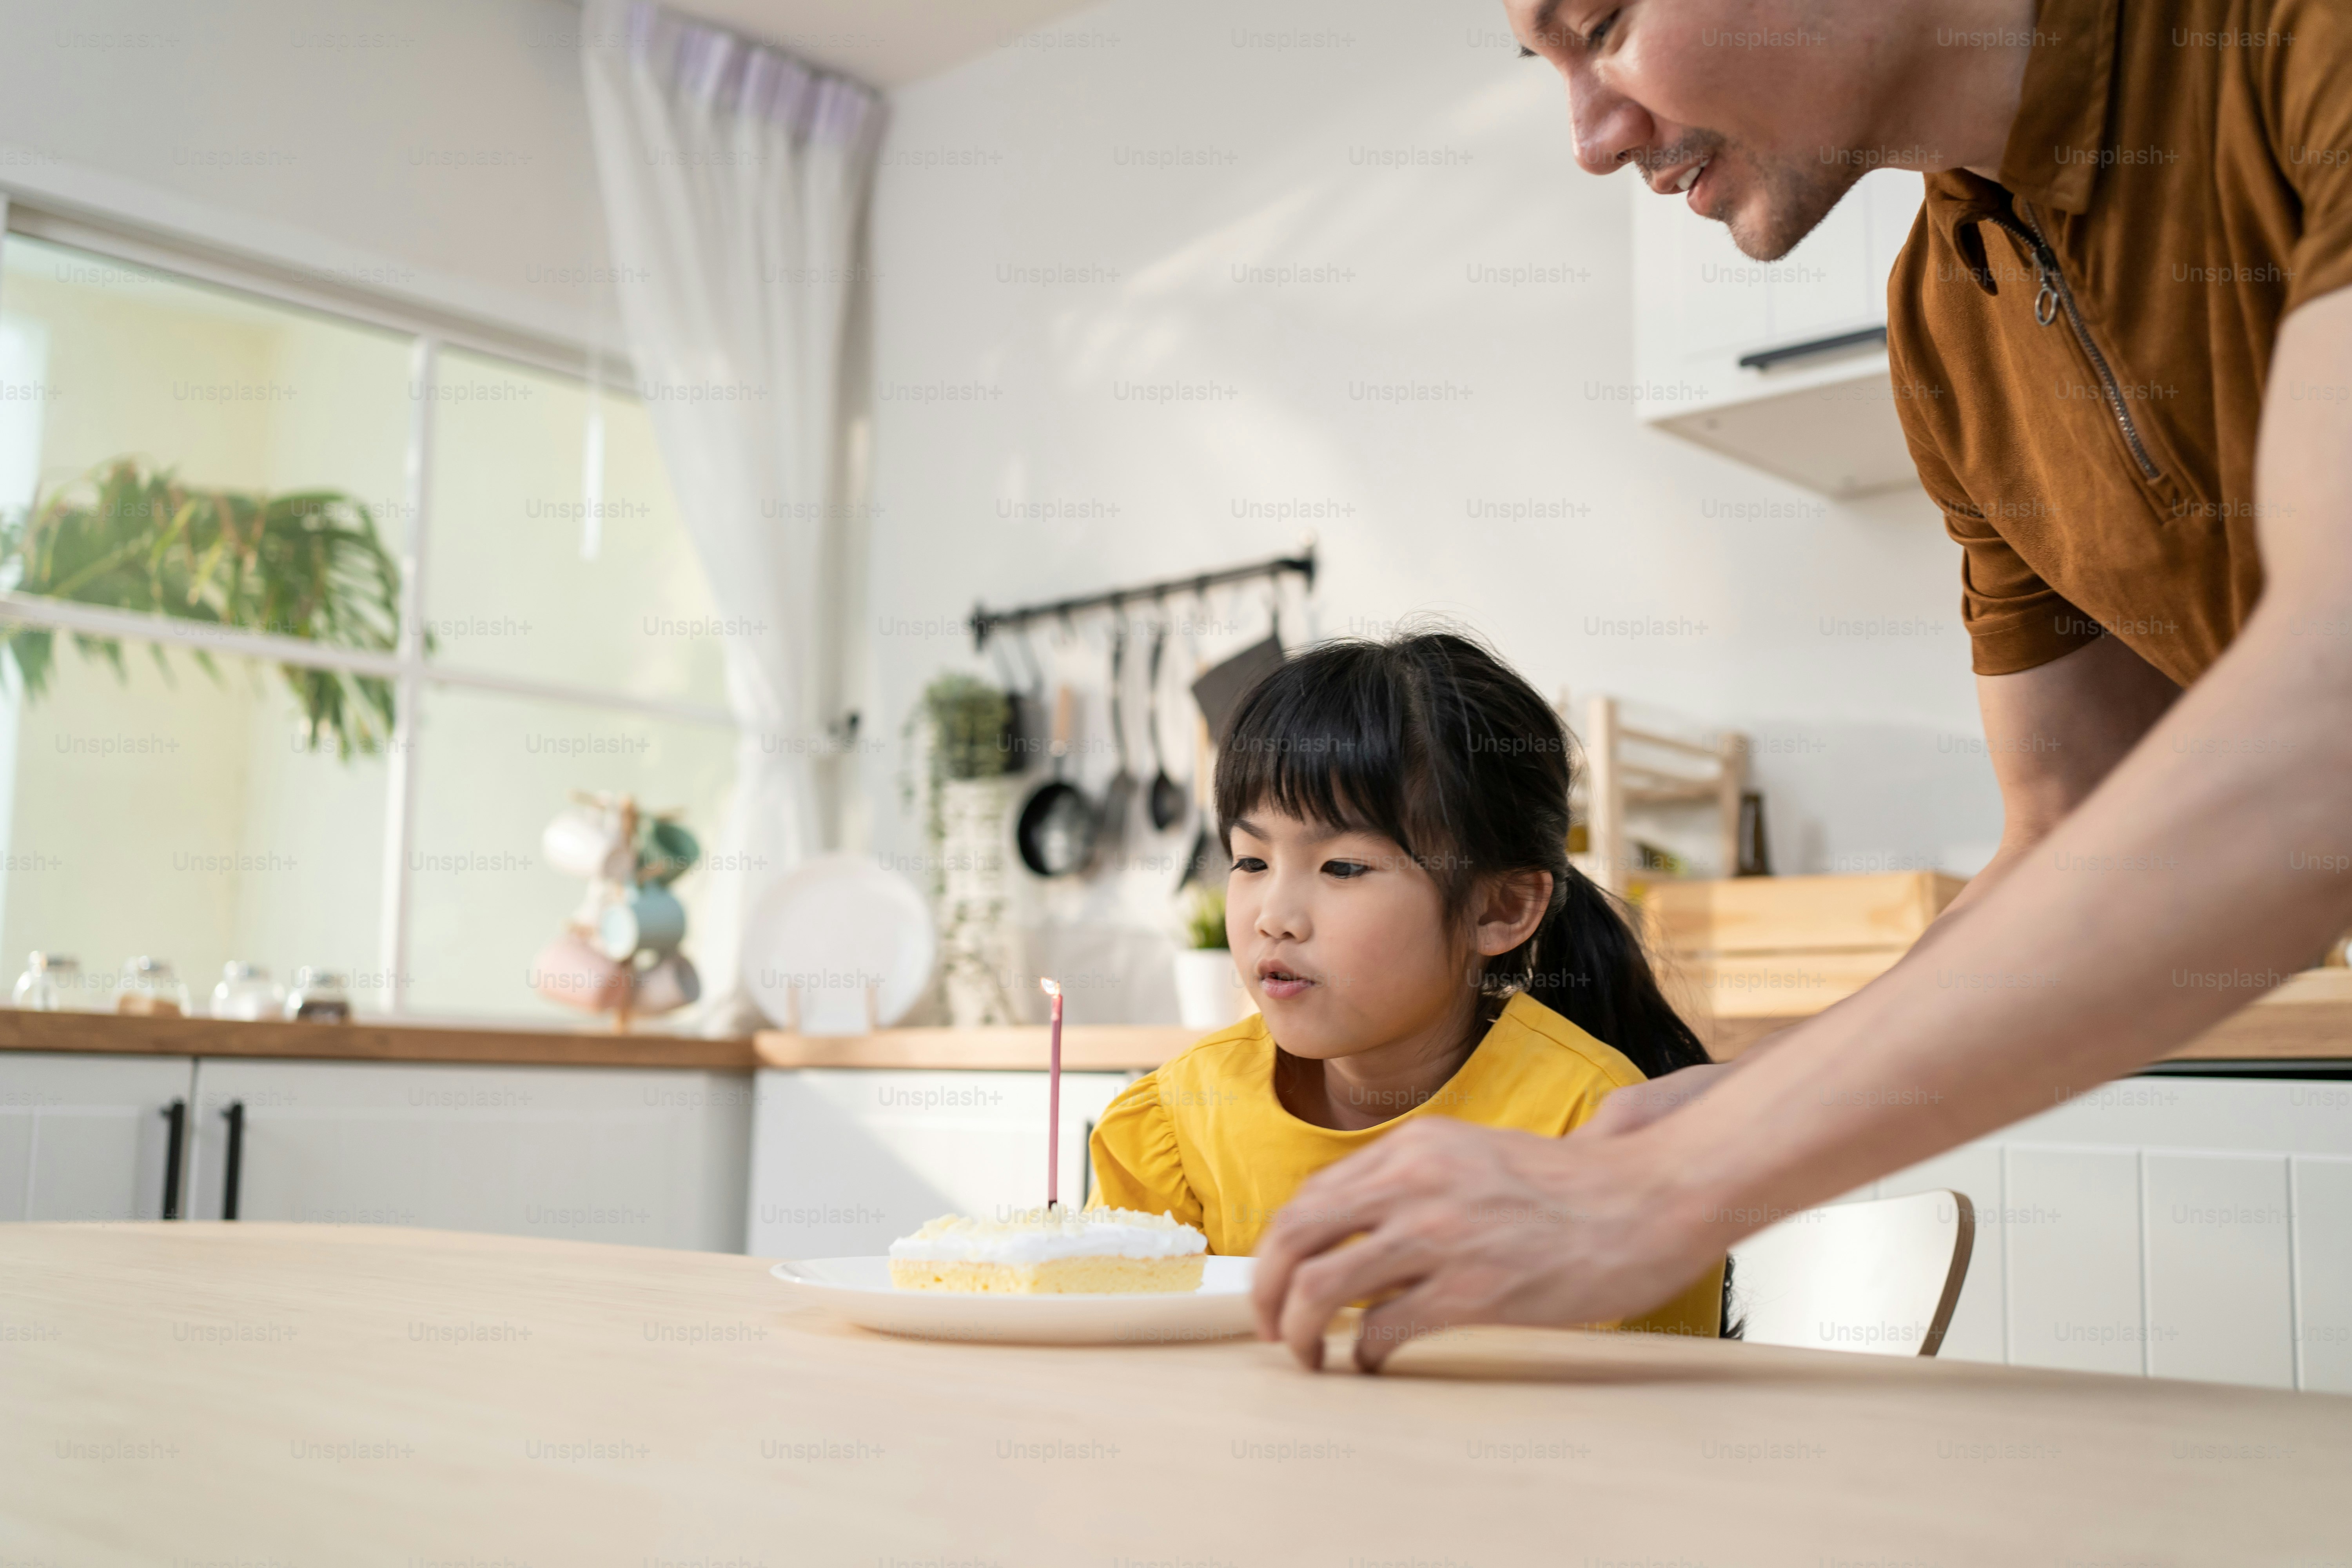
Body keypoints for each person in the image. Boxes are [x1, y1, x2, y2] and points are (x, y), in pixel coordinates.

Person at [1252, 0, 2352, 1370]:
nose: (1590, 138)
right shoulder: (1953, 331)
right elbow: (2068, 826)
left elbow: (2330, 714)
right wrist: (1736, 1103)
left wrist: (1667, 1189)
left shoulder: (2297, 42)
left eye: (1601, 24)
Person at [1090, 632, 1731, 1339]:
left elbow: (1647, 1423)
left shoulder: (1596, 1133)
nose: (1274, 916)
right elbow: (1121, 1371)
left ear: (1501, 909)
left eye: (1343, 868)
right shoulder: (1176, 1124)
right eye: (1249, 862)